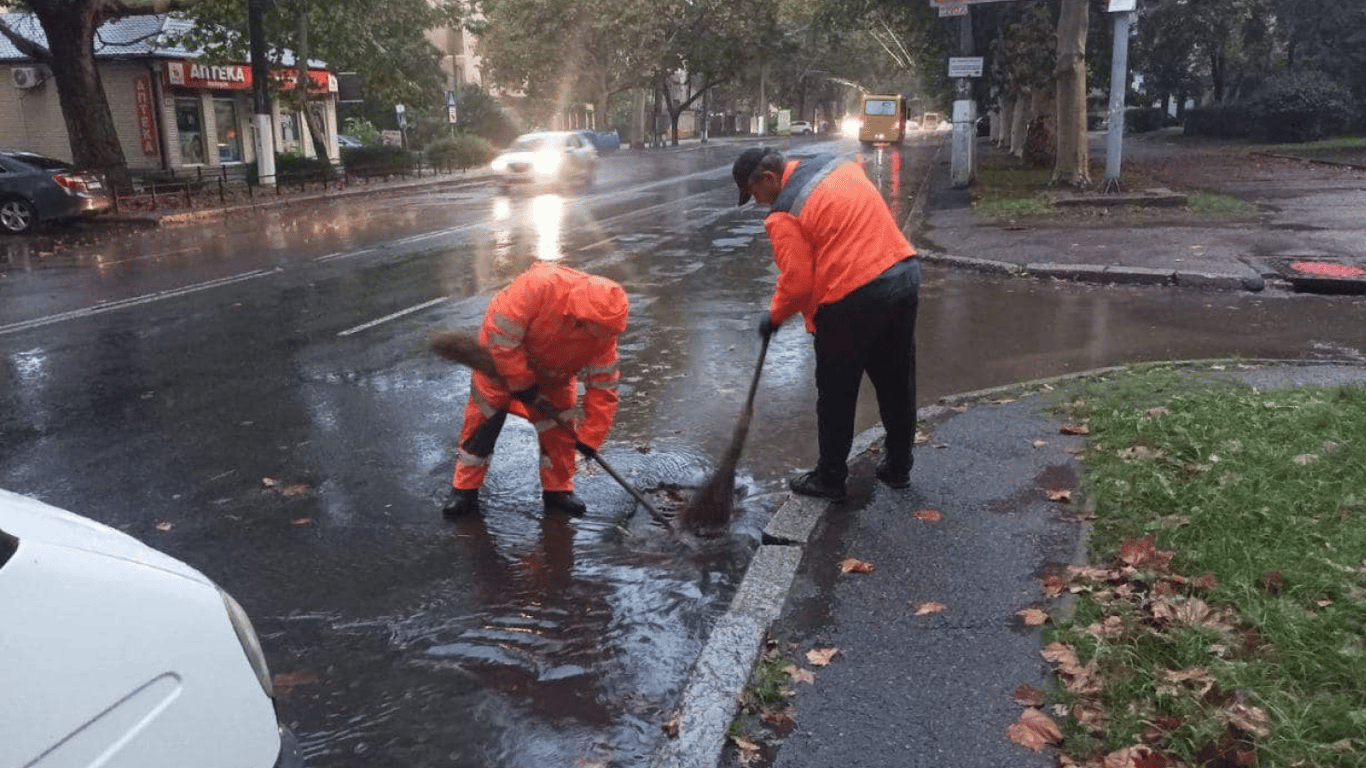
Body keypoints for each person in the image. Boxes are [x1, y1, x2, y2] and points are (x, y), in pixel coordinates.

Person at [732, 146, 921, 500]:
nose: (758, 203)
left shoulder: (784, 212)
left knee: (836, 393)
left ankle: (830, 478)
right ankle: (899, 468)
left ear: (768, 179)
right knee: (896, 381)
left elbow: (798, 284)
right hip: (902, 275)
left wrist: (773, 317)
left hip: (852, 298)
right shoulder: (835, 165)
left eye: (753, 193)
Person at [443, 262, 629, 518]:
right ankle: (463, 490)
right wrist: (521, 383)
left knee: (560, 432)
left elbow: (603, 388)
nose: (605, 337)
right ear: (582, 316)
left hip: (554, 379)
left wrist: (590, 438)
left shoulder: (603, 336)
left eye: (610, 332)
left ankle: (558, 491)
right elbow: (502, 339)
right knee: (483, 423)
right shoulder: (539, 286)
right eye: (601, 331)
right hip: (499, 365)